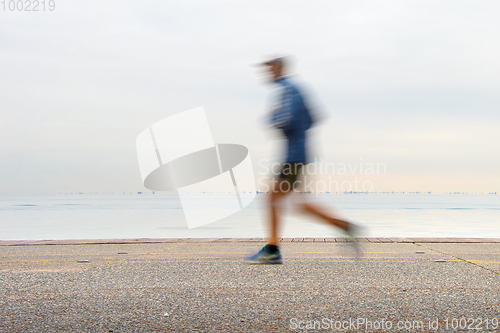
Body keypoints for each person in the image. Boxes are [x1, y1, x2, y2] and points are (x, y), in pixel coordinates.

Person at [244, 56, 360, 264]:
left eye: (269, 69)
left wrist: (272, 117)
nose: (267, 74)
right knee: (298, 204)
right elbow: (315, 116)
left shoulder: (288, 89)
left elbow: (285, 120)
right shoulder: (297, 89)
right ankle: (345, 227)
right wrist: (299, 132)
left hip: (294, 156)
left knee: (273, 199)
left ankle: (272, 250)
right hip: (299, 153)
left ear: (279, 68)